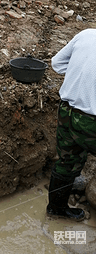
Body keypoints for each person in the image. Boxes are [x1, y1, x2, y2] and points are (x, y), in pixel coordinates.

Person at [47, 28, 96, 221]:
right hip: (91, 121)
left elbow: (56, 64)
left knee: (67, 161)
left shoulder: (86, 34)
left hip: (66, 111)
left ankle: (56, 209)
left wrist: (81, 75)